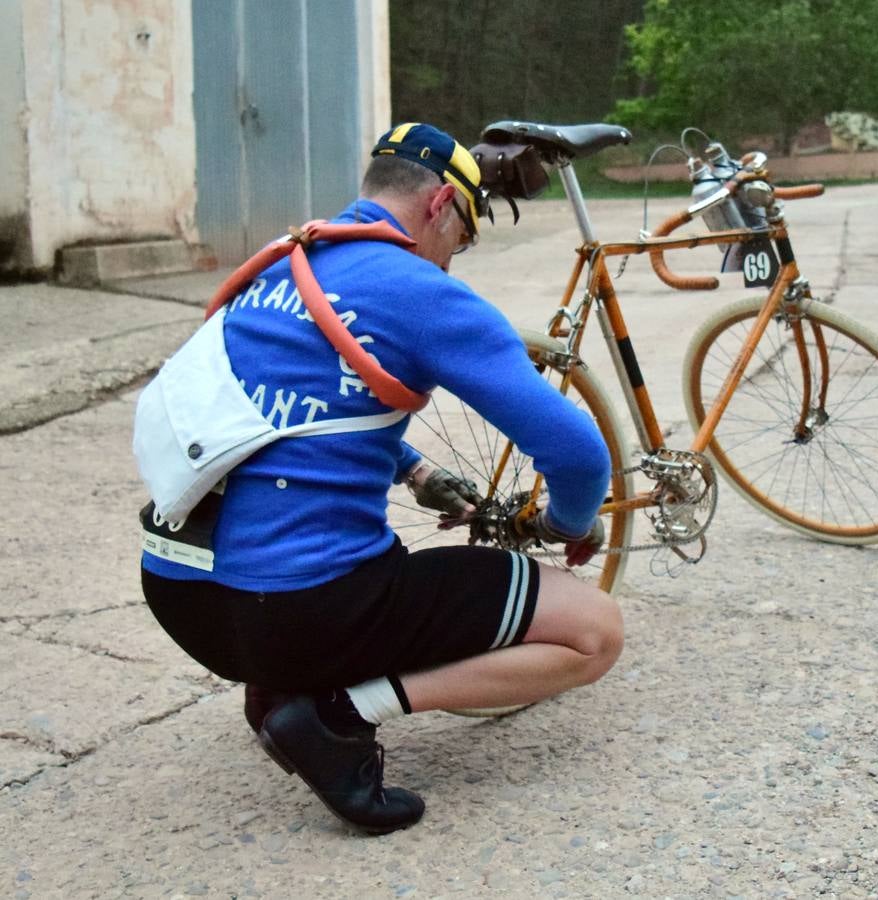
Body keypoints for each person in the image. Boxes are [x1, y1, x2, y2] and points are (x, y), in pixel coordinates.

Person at [138, 123, 623, 835]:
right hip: (301, 612)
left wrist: (417, 469)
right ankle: (334, 716)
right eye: (463, 237)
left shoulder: (280, 266)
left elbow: (281, 413)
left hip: (181, 598)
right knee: (594, 633)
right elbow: (579, 454)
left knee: (298, 562)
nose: (455, 258)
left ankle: (276, 689)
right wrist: (565, 525)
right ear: (439, 208)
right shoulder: (420, 292)